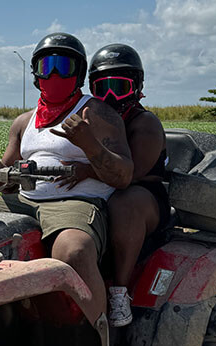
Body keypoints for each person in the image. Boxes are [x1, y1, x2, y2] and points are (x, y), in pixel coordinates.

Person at [0, 32, 135, 346]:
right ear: (35, 73)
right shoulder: (24, 122)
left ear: (79, 73)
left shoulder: (98, 113)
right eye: (47, 66)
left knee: (74, 251)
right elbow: (6, 179)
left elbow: (123, 175)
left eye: (65, 65)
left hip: (76, 202)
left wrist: (88, 143)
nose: (55, 74)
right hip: (24, 201)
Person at [58, 44, 169, 328]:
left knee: (124, 201)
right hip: (102, 189)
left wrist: (86, 170)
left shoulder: (145, 123)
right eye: (102, 88)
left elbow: (132, 174)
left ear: (137, 86)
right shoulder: (94, 118)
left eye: (119, 87)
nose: (110, 96)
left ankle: (119, 291)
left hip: (142, 196)